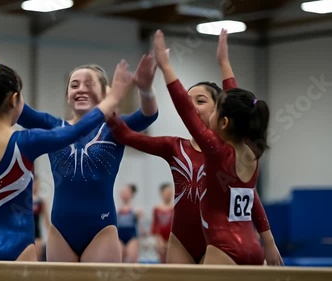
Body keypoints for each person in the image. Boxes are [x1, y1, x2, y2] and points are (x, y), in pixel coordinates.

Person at [0, 28, 159, 262]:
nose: (81, 89)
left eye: (89, 84)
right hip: (60, 231)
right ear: (67, 95)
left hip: (101, 230)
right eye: (74, 85)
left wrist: (145, 90)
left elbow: (148, 116)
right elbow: (4, 96)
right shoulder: (52, 125)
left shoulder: (115, 128)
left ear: (106, 92)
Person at [108, 29, 282, 265]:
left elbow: (252, 198)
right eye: (191, 102)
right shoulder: (243, 150)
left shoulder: (218, 150)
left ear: (222, 116)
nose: (194, 109)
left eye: (201, 102)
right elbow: (130, 137)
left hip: (219, 246)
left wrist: (166, 67)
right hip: (187, 241)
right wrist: (224, 63)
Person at [117, 184, 143, 263]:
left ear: (131, 194)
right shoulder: (116, 210)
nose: (124, 194)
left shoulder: (137, 210)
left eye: (126, 192)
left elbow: (141, 226)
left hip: (132, 237)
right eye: (123, 192)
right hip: (119, 237)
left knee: (132, 260)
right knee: (118, 260)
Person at [150, 183, 174, 263]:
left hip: (173, 238)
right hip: (161, 239)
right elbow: (155, 226)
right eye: (166, 193)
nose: (168, 195)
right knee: (163, 261)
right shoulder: (157, 209)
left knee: (172, 260)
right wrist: (158, 240)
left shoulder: (175, 208)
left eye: (170, 193)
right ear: (161, 193)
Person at [32, 175, 50, 261]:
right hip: (27, 233)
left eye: (38, 184)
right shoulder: (24, 201)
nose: (36, 186)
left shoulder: (41, 201)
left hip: (37, 235)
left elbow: (47, 221)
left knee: (37, 259)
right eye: (35, 183)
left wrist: (50, 237)